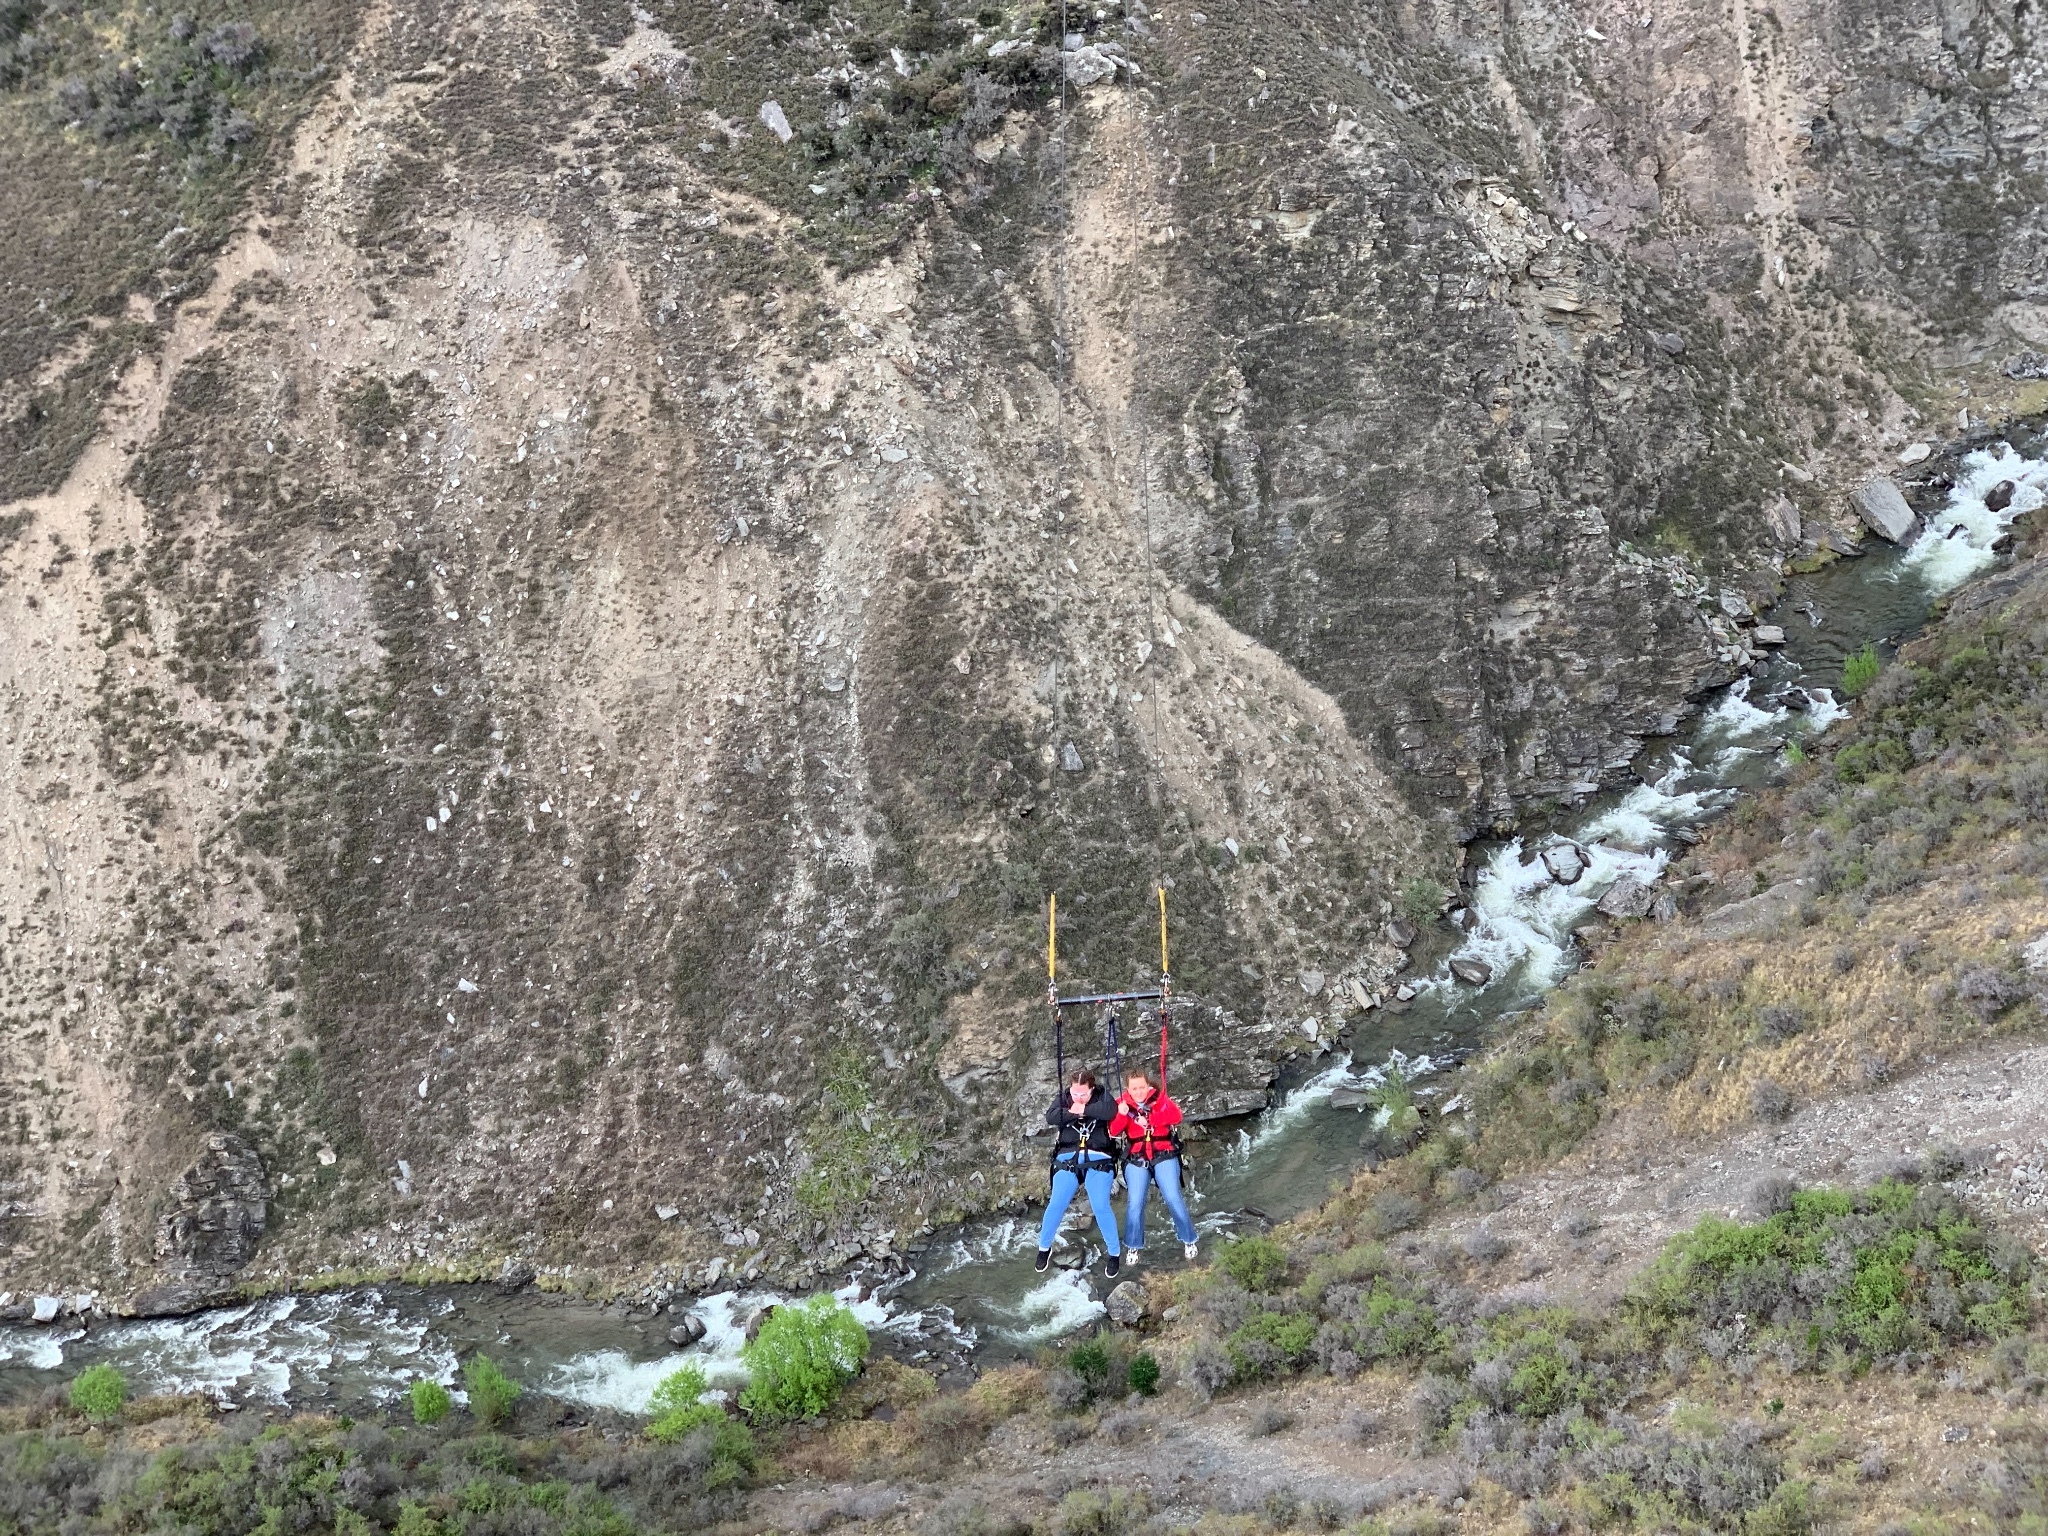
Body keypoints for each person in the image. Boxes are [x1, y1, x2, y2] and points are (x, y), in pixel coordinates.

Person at [1036, 1069, 1123, 1278]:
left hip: (1099, 1158)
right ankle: (1043, 1248)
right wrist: (1074, 1111)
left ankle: (1114, 1253)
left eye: (1083, 1093)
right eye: (1076, 1093)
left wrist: (1083, 1108)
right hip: (1068, 1158)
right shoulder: (1064, 1097)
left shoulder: (1102, 1096)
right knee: (1057, 1203)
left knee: (1100, 1205)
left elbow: (1110, 1111)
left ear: (1091, 1089)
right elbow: (1052, 1117)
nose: (1078, 1097)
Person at [1109, 1067, 1198, 1262]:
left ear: (1148, 1085)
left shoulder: (1160, 1099)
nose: (1139, 1092)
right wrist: (1122, 1114)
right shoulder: (1122, 1104)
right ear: (1128, 1089)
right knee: (1135, 1202)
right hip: (1137, 1157)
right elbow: (1114, 1131)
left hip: (1163, 1154)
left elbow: (1176, 1117)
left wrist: (1150, 1119)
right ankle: (1133, 1246)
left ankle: (1188, 1239)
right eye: (1134, 1089)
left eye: (1142, 1087)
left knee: (1173, 1196)